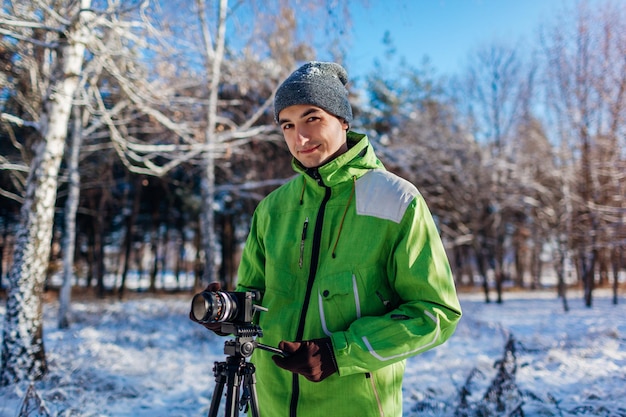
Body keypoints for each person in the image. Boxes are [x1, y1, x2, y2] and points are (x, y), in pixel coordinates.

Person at [191, 61, 462, 417]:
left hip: (355, 406)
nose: (299, 138)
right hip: (268, 403)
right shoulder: (272, 209)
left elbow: (435, 314)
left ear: (343, 121)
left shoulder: (396, 200)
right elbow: (256, 297)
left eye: (312, 118)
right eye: (287, 125)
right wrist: (229, 310)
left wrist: (338, 353)